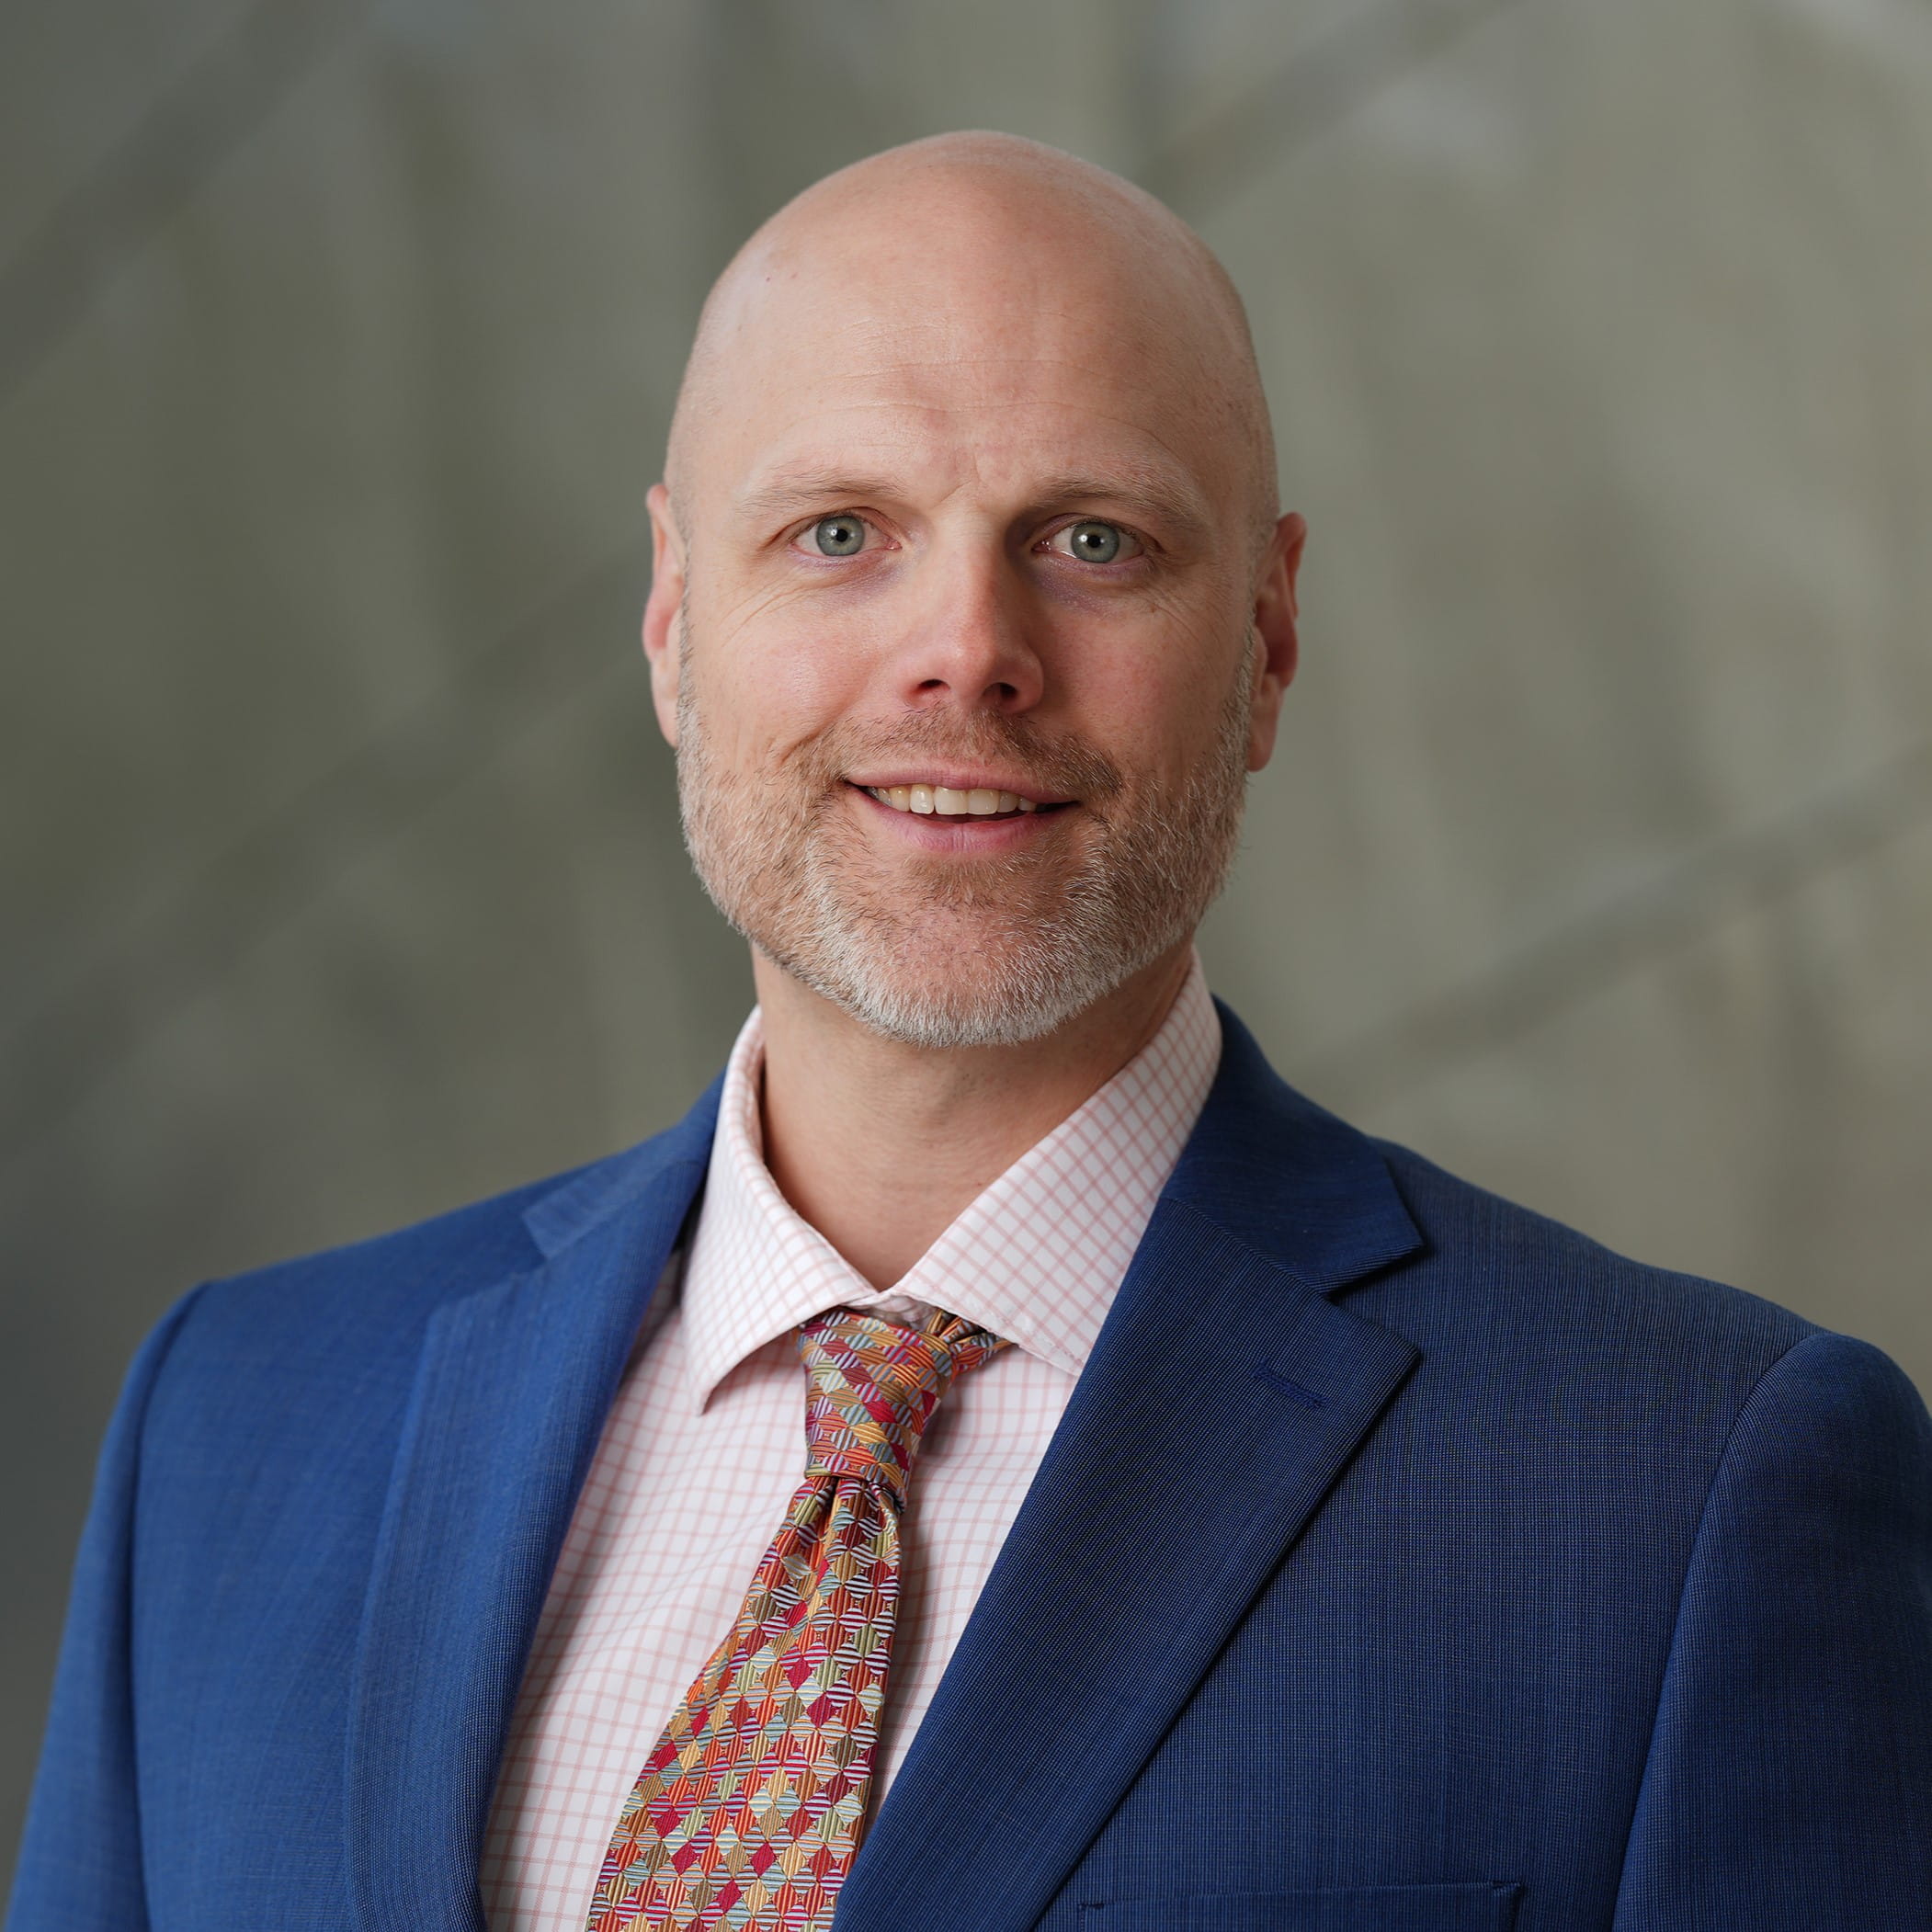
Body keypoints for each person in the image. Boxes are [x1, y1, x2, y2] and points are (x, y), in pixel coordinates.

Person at [10, 131, 1930, 1932]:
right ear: (673, 617)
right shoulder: (233, 1430)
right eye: (839, 530)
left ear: (1267, 639)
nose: (964, 652)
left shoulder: (1683, 1494)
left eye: (1091, 540)